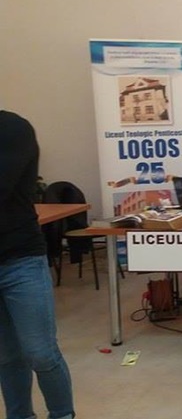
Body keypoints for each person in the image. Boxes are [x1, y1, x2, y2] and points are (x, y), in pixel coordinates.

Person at [0, 110, 76, 419]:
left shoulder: (12, 128)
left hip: (21, 261)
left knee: (41, 353)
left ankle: (62, 414)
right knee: (6, 356)